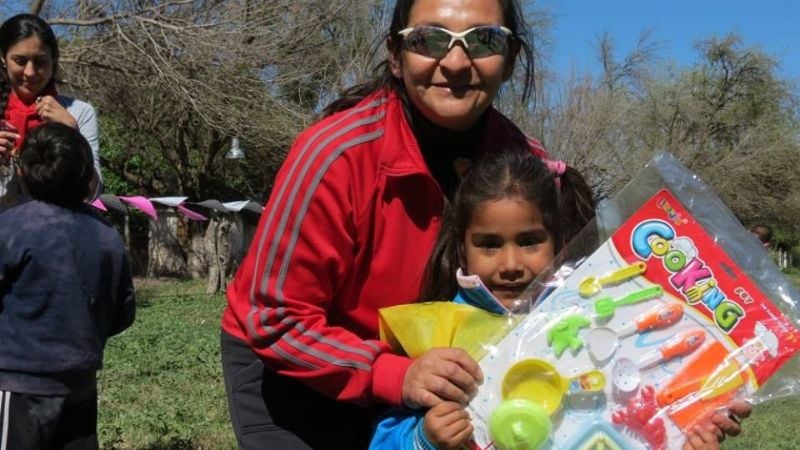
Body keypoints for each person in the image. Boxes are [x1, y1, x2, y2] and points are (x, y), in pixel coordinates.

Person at [220, 0, 749, 448]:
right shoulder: (334, 155)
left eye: (482, 39)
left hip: (440, 378)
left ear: (511, 57)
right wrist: (398, 375)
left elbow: (575, 308)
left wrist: (685, 395)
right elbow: (275, 320)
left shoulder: (527, 167)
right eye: (429, 38)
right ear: (395, 55)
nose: (454, 61)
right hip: (300, 371)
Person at [370, 148, 595, 450]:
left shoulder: (586, 311)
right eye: (489, 245)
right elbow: (383, 442)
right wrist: (423, 438)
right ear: (462, 249)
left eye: (530, 242)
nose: (512, 264)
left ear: (559, 242)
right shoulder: (435, 332)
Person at [0, 122, 135, 449]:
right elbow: (123, 313)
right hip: (80, 386)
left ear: (23, 172)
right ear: (89, 178)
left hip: (17, 387)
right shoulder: (107, 236)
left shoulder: (10, 226)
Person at [0, 13, 102, 210]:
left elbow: (91, 193)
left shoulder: (79, 113)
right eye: (20, 61)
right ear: (3, 58)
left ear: (54, 60)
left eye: (40, 61)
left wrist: (72, 133)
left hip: (52, 235)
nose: (30, 72)